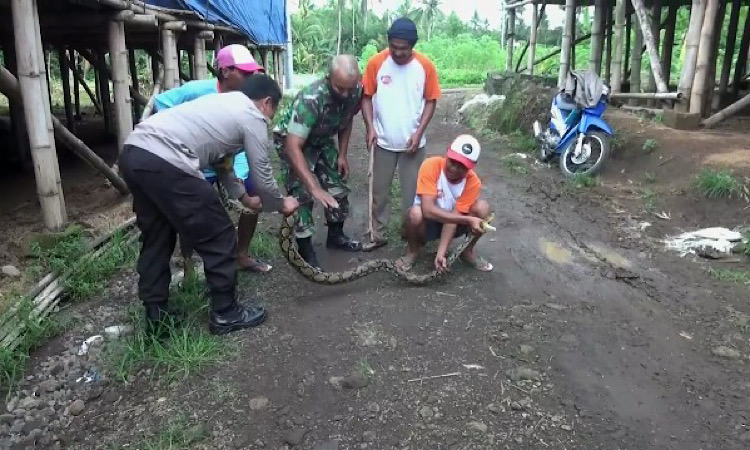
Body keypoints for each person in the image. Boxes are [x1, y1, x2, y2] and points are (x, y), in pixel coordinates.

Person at [118, 74, 299, 336]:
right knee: (219, 234)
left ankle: (157, 318)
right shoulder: (252, 115)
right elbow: (261, 170)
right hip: (165, 159)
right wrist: (280, 203)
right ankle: (225, 313)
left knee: (157, 235)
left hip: (134, 153)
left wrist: (243, 197)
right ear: (267, 102)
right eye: (273, 111)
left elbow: (221, 162)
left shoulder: (223, 104)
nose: (270, 118)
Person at [154, 44, 272, 273]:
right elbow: (162, 103)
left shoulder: (248, 99)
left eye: (253, 73)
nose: (251, 78)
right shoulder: (197, 90)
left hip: (229, 161)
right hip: (196, 165)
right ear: (225, 71)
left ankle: (241, 255)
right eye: (245, 73)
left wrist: (241, 177)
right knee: (191, 214)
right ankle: (188, 263)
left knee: (253, 196)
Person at [273, 55, 363, 269]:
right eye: (340, 88)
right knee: (302, 195)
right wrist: (314, 187)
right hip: (293, 142)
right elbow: (293, 145)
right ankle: (305, 251)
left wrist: (342, 154)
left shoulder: (355, 90)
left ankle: (336, 236)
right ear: (328, 78)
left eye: (350, 89)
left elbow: (347, 119)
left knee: (337, 187)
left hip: (322, 139)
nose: (346, 94)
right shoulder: (311, 99)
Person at [361, 17, 441, 252]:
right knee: (378, 193)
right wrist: (370, 127)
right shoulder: (376, 63)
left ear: (412, 45)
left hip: (412, 144)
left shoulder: (425, 66)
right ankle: (378, 234)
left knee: (413, 196)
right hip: (382, 142)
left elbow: (431, 101)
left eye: (403, 48)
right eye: (393, 46)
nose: (397, 52)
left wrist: (419, 133)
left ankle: (411, 233)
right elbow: (366, 97)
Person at [397, 134, 494, 274]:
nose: (454, 168)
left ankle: (467, 251)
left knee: (483, 208)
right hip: (427, 222)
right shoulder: (431, 165)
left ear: (471, 167)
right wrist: (468, 219)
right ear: (447, 154)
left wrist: (441, 254)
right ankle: (412, 251)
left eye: (462, 166)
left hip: (453, 223)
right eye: (452, 161)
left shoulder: (473, 182)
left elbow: (453, 218)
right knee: (415, 213)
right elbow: (428, 210)